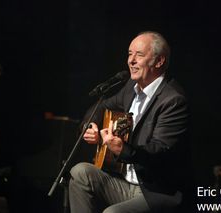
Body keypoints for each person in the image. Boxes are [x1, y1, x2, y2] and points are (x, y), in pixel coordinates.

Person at [68, 31, 192, 213]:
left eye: (139, 55)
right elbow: (101, 106)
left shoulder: (173, 100)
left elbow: (159, 152)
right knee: (79, 172)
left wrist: (122, 149)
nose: (131, 61)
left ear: (159, 61)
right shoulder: (131, 89)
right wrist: (90, 126)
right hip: (124, 183)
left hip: (156, 192)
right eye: (129, 54)